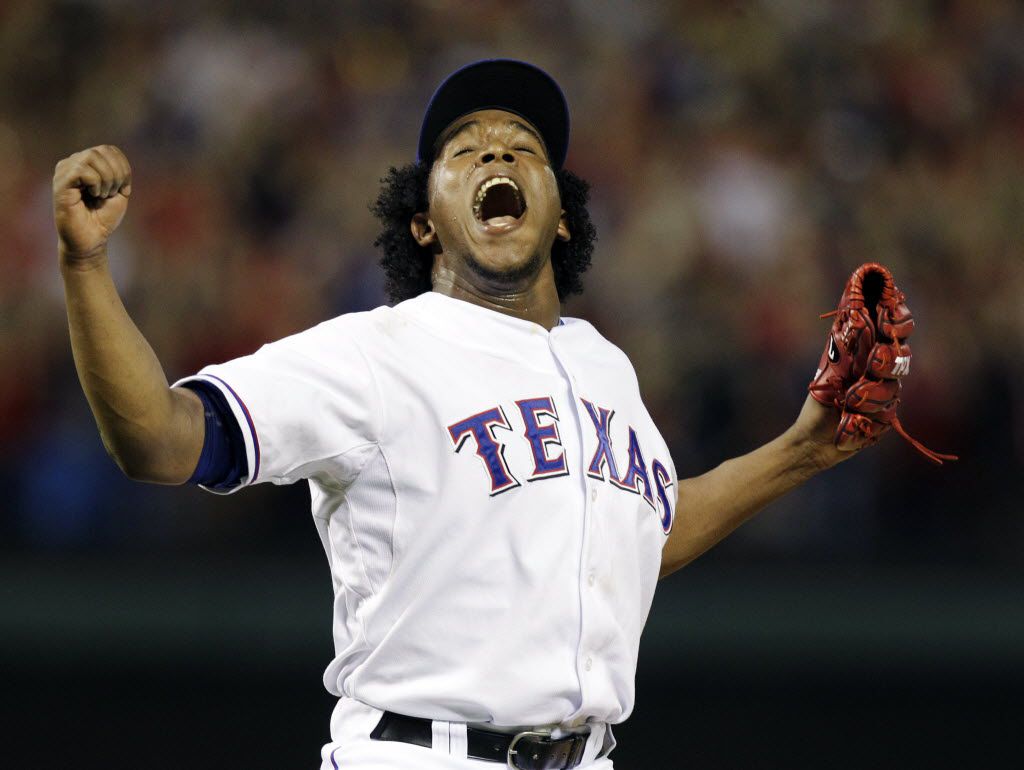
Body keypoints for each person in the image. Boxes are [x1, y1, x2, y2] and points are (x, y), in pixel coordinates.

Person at [54, 59, 852, 769]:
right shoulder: (376, 351)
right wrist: (87, 266)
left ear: (563, 216)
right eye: (465, 150)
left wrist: (800, 451)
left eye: (523, 147)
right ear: (424, 221)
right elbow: (157, 438)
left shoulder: (604, 365)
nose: (497, 152)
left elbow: (631, 537)